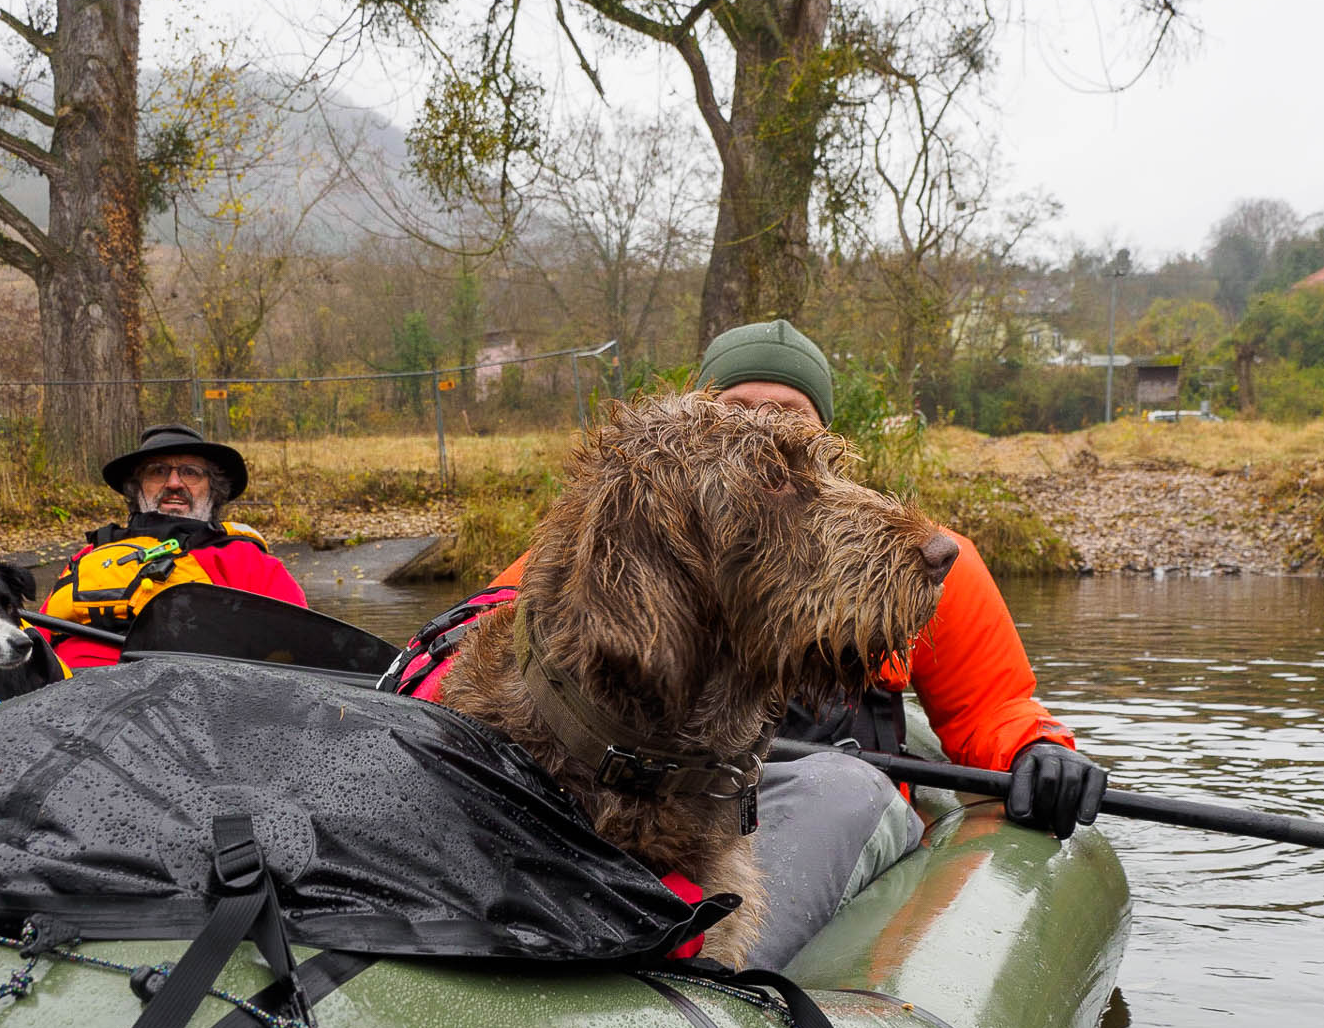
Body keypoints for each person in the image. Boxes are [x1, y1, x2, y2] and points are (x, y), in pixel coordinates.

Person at [394, 320, 1104, 975]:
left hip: (819, 787)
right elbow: (493, 629)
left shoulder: (916, 562)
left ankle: (716, 981)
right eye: (737, 409)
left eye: (786, 419)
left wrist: (1038, 751)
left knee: (847, 786)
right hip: (676, 788)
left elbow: (995, 704)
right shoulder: (641, 530)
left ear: (819, 435)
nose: (759, 424)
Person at [39, 423, 306, 671]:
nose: (174, 483)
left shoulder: (247, 561)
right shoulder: (89, 558)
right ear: (137, 487)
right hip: (73, 700)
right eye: (158, 472)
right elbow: (32, 641)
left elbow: (303, 648)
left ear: (213, 490)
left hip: (192, 705)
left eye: (191, 472)